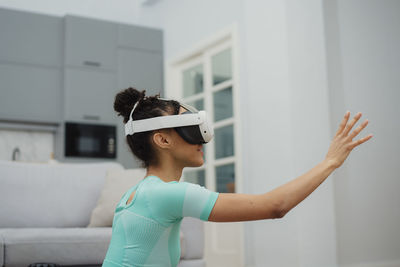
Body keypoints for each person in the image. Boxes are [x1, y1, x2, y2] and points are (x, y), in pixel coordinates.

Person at [102, 87, 373, 267]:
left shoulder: (138, 193)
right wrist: (331, 162)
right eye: (187, 128)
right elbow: (274, 206)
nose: (202, 138)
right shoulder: (164, 194)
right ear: (162, 139)